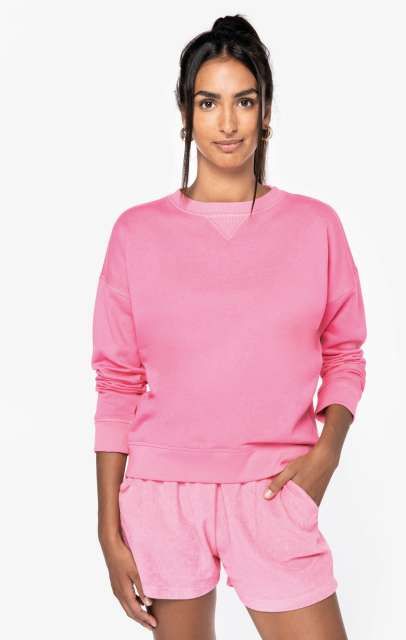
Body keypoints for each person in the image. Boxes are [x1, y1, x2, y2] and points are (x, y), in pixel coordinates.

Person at [90, 14, 367, 639]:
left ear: (265, 112)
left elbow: (345, 352)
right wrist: (108, 530)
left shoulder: (315, 226)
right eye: (208, 102)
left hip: (272, 489)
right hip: (163, 492)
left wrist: (326, 454)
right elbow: (117, 382)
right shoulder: (136, 233)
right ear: (186, 114)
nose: (228, 122)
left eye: (244, 101)